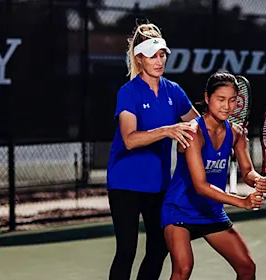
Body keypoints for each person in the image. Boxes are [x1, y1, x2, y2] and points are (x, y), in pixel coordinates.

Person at [106, 21, 199, 280]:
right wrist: (168, 130)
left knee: (159, 247)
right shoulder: (128, 92)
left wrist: (227, 128)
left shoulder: (174, 91)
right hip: (124, 182)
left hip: (158, 185)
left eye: (162, 55)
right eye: (152, 56)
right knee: (126, 250)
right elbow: (130, 139)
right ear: (139, 58)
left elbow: (198, 125)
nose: (158, 61)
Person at [161, 71, 266, 280]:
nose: (227, 106)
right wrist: (242, 202)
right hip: (180, 209)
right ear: (207, 98)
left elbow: (247, 172)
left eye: (232, 100)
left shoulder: (237, 134)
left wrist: (258, 180)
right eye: (220, 99)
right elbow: (201, 185)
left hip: (210, 212)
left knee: (247, 268)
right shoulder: (194, 133)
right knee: (183, 269)